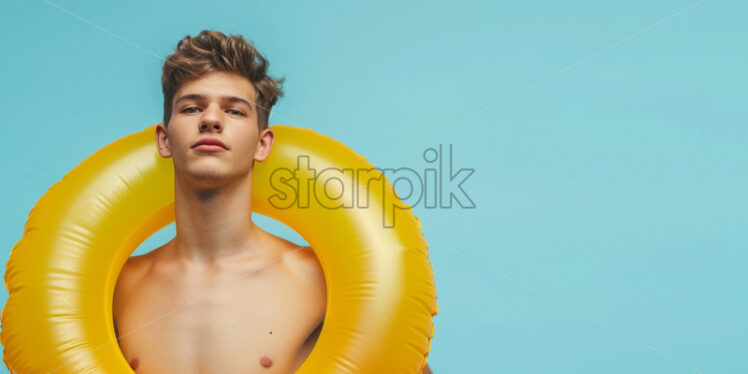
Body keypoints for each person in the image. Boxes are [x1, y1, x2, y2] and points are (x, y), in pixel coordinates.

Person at [112, 30, 433, 374]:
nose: (210, 119)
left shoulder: (319, 282)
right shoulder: (118, 288)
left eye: (234, 111)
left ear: (262, 144)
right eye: (192, 107)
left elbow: (391, 356)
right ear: (164, 139)